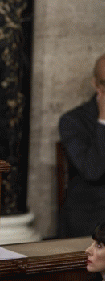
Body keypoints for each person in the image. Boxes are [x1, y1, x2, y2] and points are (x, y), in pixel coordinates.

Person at [59, 54, 105, 238]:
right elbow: (93, 171)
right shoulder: (73, 121)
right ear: (96, 85)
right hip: (93, 216)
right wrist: (103, 121)